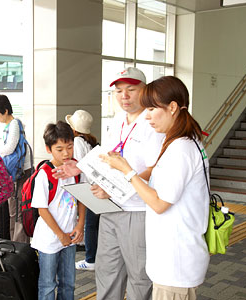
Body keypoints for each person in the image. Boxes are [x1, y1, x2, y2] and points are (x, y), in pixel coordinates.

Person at [54, 67, 164, 300]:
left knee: (139, 276)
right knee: (106, 271)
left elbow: (155, 169)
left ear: (144, 90)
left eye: (131, 89)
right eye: (119, 91)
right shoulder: (117, 120)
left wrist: (118, 186)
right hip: (111, 208)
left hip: (138, 210)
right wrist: (79, 167)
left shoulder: (152, 123)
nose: (124, 95)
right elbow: (106, 157)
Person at [100, 76, 210, 300]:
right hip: (174, 260)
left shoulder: (181, 148)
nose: (147, 115)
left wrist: (127, 171)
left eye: (152, 108)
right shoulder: (182, 143)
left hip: (176, 263)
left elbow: (160, 203)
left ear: (172, 108)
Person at [30, 120, 85, 300]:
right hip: (49, 240)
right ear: (48, 149)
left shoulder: (76, 170)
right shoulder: (44, 174)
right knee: (47, 284)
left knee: (68, 283)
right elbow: (42, 210)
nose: (66, 153)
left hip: (70, 236)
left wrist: (80, 224)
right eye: (59, 149)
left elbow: (82, 198)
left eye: (69, 147)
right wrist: (60, 235)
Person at [0, 94, 32, 243]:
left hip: (19, 174)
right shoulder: (12, 125)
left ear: (5, 111)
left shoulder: (14, 124)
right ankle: (15, 243)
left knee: (18, 211)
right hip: (16, 173)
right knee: (15, 210)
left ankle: (19, 246)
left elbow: (10, 147)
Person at [65, 110, 100, 271]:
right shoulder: (91, 141)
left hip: (88, 188)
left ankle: (90, 259)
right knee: (94, 225)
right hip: (96, 187)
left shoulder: (78, 142)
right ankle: (94, 258)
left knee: (90, 225)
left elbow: (78, 167)